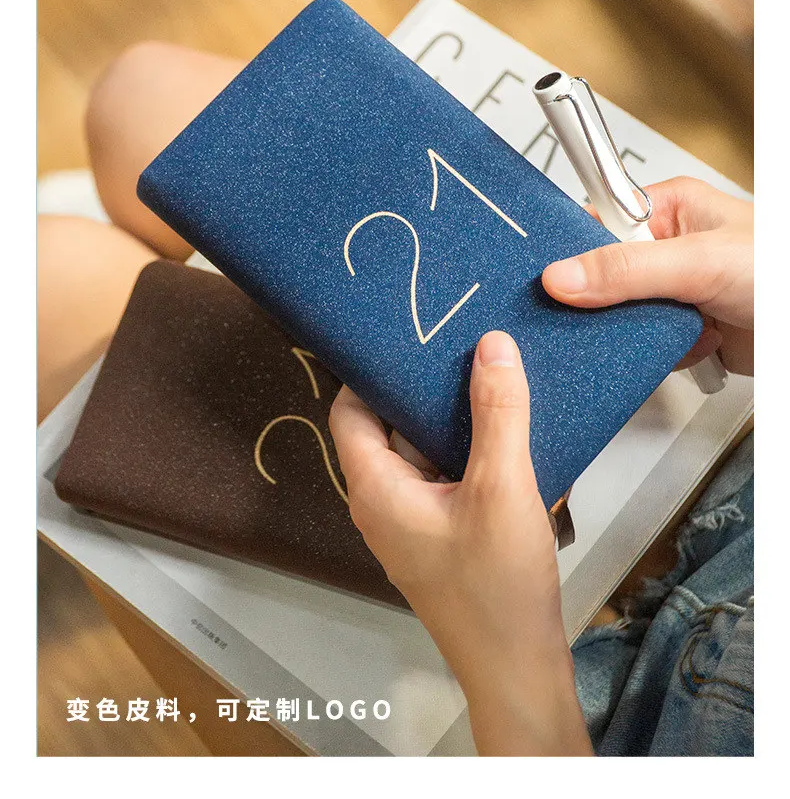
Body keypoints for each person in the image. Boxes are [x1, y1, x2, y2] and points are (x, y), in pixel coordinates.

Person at [38, 42, 754, 756]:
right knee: (141, 92)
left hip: (566, 702)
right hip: (739, 486)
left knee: (50, 274)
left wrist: (506, 660)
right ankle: (134, 236)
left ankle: (118, 238)